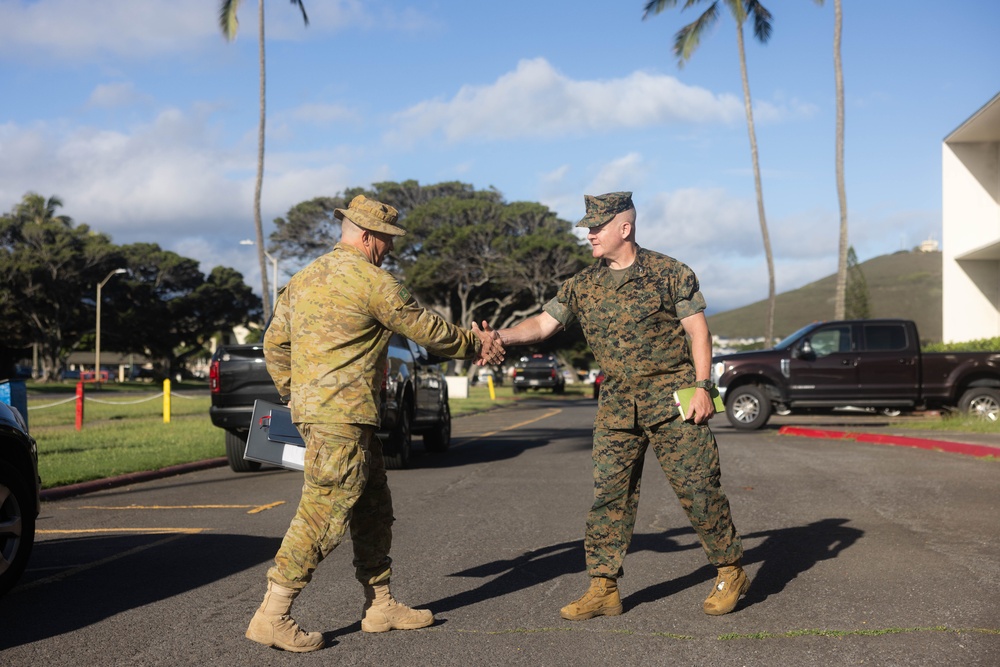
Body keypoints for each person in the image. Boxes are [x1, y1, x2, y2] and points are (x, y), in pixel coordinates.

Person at [246, 194, 505, 652]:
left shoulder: (302, 280)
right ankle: (273, 613)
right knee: (323, 511)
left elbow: (274, 344)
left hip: (328, 414)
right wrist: (477, 342)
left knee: (372, 507)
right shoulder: (372, 281)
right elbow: (424, 327)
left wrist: (296, 394)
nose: (388, 249)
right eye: (385, 240)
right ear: (365, 236)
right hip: (342, 417)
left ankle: (380, 603)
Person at [496, 191, 748, 620]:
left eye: (596, 227)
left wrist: (704, 388)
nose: (589, 235)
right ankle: (603, 588)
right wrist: (499, 337)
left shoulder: (669, 273)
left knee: (699, 489)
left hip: (674, 401)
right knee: (609, 498)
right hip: (616, 406)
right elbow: (542, 324)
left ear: (624, 228)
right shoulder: (583, 285)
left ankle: (730, 570)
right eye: (588, 228)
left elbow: (699, 334)